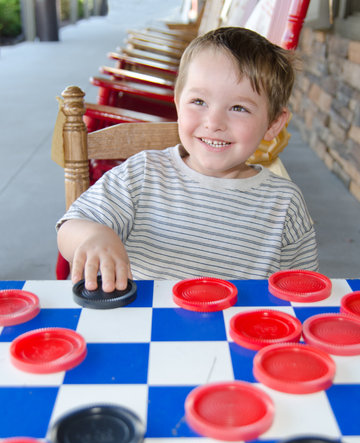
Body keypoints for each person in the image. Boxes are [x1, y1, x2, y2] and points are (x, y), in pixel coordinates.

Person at [57, 27, 318, 293]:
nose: (214, 123)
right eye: (199, 101)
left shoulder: (285, 204)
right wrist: (93, 235)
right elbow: (70, 227)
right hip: (144, 323)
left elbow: (303, 292)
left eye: (239, 108)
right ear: (178, 103)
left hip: (236, 330)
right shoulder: (143, 174)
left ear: (274, 123)